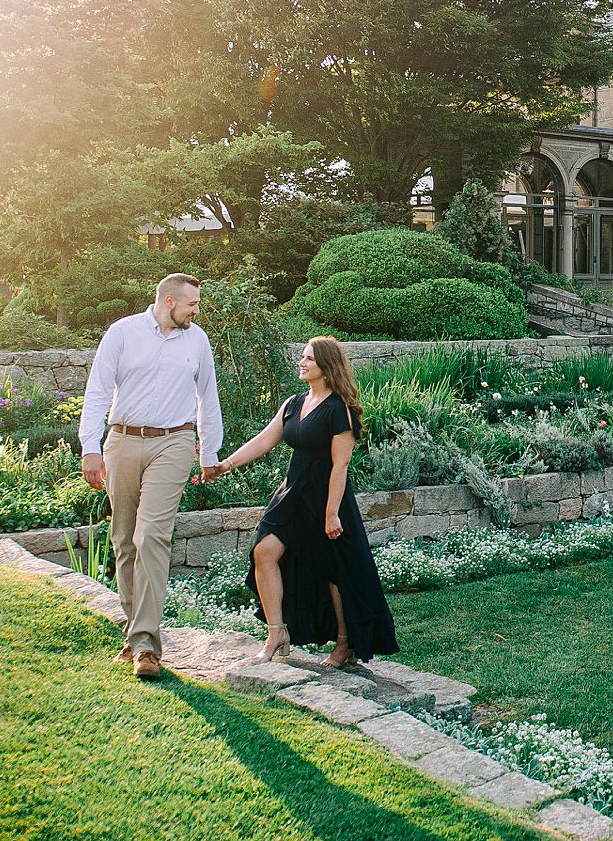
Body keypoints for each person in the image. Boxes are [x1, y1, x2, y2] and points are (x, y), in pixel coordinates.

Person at [217, 335, 397, 667]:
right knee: (264, 552)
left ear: (326, 367)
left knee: (334, 572)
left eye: (309, 359)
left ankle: (345, 645)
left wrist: (331, 514)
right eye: (303, 357)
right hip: (292, 494)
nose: (301, 362)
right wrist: (226, 464)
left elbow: (340, 465)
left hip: (327, 499)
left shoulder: (338, 410)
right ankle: (276, 634)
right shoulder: (293, 404)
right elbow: (264, 441)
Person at [78, 272, 223, 681]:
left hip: (174, 443)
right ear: (170, 301)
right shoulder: (122, 333)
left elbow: (207, 396)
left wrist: (208, 451)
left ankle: (146, 644)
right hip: (122, 442)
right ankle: (134, 633)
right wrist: (90, 446)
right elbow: (98, 390)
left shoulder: (197, 340)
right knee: (124, 539)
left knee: (151, 536)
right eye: (192, 304)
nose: (197, 311)